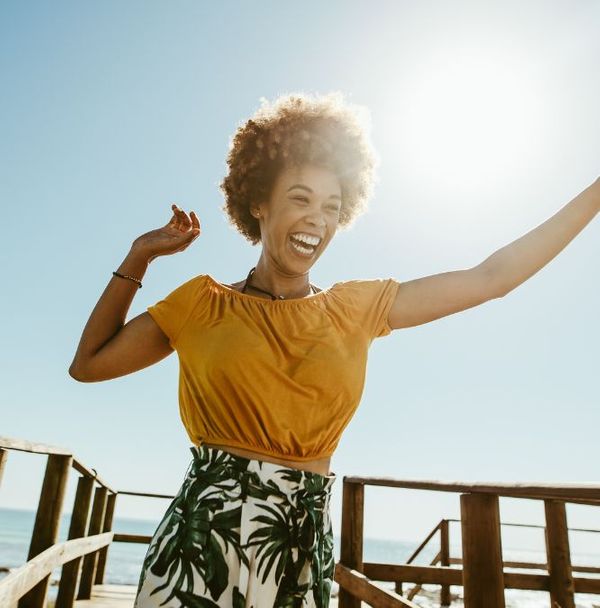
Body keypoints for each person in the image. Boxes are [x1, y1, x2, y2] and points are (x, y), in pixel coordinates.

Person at [69, 91, 599, 607]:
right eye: (299, 198)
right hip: (199, 544)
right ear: (258, 202)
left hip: (297, 548)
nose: (316, 219)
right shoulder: (201, 304)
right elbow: (89, 365)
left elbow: (493, 277)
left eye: (331, 207)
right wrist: (139, 256)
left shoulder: (357, 308)